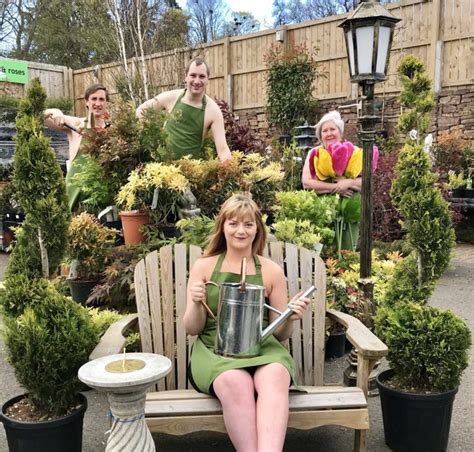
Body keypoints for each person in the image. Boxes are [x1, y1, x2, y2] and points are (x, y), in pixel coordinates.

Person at [183, 193, 311, 452]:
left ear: (257, 230)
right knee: (235, 381)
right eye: (233, 223)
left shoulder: (271, 271)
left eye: (248, 224)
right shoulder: (204, 267)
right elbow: (192, 328)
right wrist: (197, 302)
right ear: (223, 227)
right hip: (214, 349)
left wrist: (291, 316)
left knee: (276, 375)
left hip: (262, 346)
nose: (240, 231)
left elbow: (281, 333)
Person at [136, 57, 232, 162]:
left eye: (202, 76)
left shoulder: (213, 111)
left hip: (192, 173)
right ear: (185, 76)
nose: (197, 81)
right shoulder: (171, 97)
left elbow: (223, 150)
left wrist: (230, 171)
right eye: (193, 75)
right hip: (162, 170)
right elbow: (141, 111)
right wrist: (150, 135)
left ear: (207, 79)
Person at [44, 83, 110, 211]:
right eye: (94, 99)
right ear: (86, 102)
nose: (98, 103)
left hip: (103, 198)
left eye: (101, 99)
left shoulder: (112, 130)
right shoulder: (77, 124)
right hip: (76, 198)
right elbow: (40, 116)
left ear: (106, 103)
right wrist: (55, 112)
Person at [302, 110, 361, 198]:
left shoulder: (354, 151)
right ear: (320, 136)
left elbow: (367, 181)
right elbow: (306, 183)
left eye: (332, 129)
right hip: (323, 207)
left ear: (340, 133)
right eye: (325, 131)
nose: (329, 134)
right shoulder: (314, 153)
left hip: (352, 206)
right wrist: (336, 188)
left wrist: (349, 183)